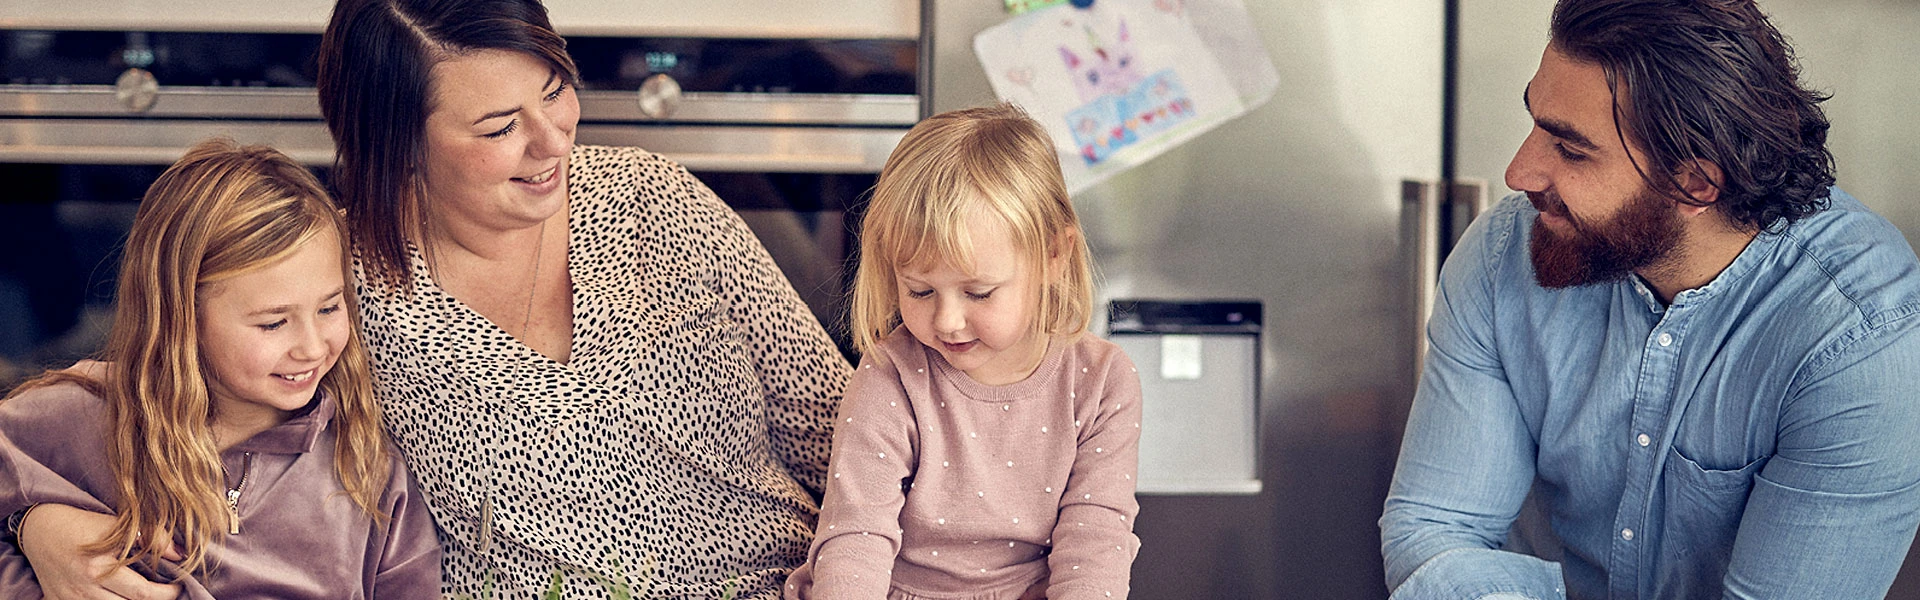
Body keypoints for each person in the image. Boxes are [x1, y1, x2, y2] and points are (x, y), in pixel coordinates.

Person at [16, 0, 852, 598]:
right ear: (398, 142)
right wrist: (38, 525)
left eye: (555, 89)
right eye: (497, 127)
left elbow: (851, 427)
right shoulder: (330, 279)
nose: (552, 138)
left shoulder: (653, 199)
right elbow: (144, 398)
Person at [1379, 1, 1920, 599]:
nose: (1519, 172)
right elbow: (1437, 528)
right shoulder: (1504, 254)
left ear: (1694, 184)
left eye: (1571, 149)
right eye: (1535, 122)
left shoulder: (1863, 342)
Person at [0, 139, 441, 599]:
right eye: (273, 322)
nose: (312, 347)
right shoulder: (78, 418)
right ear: (182, 316)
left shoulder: (367, 468)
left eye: (330, 308)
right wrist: (31, 528)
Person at [783, 104, 1143, 600]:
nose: (947, 321)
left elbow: (1095, 536)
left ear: (1053, 257)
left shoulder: (1103, 380)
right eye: (920, 291)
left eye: (979, 293)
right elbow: (856, 535)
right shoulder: (891, 375)